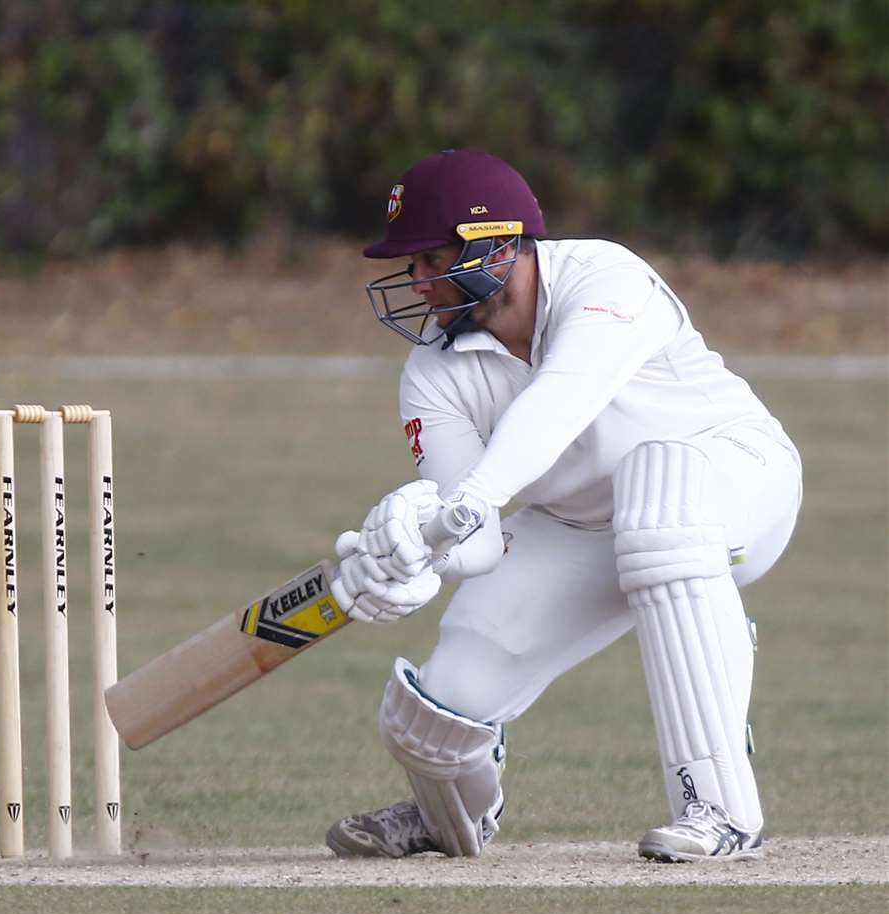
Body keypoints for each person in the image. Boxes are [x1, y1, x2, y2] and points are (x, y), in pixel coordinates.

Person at [325, 149, 802, 863]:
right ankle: (450, 819)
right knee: (436, 710)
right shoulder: (432, 373)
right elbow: (477, 541)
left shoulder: (607, 277)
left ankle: (721, 811)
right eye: (412, 265)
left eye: (432, 260)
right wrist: (409, 550)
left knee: (658, 492)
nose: (419, 285)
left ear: (498, 243)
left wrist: (475, 498)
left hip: (734, 479)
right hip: (579, 528)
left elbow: (560, 404)